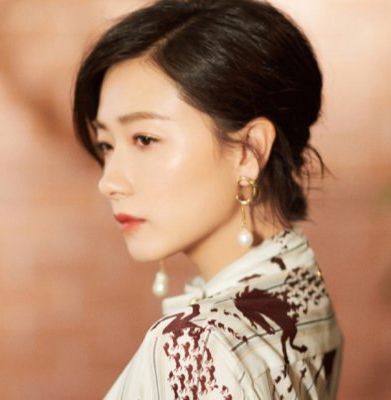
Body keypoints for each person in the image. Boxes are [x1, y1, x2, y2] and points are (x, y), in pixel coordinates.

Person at [72, 0, 343, 398]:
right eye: (106, 144)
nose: (109, 182)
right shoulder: (303, 286)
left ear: (248, 151)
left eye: (145, 139)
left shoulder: (195, 347)